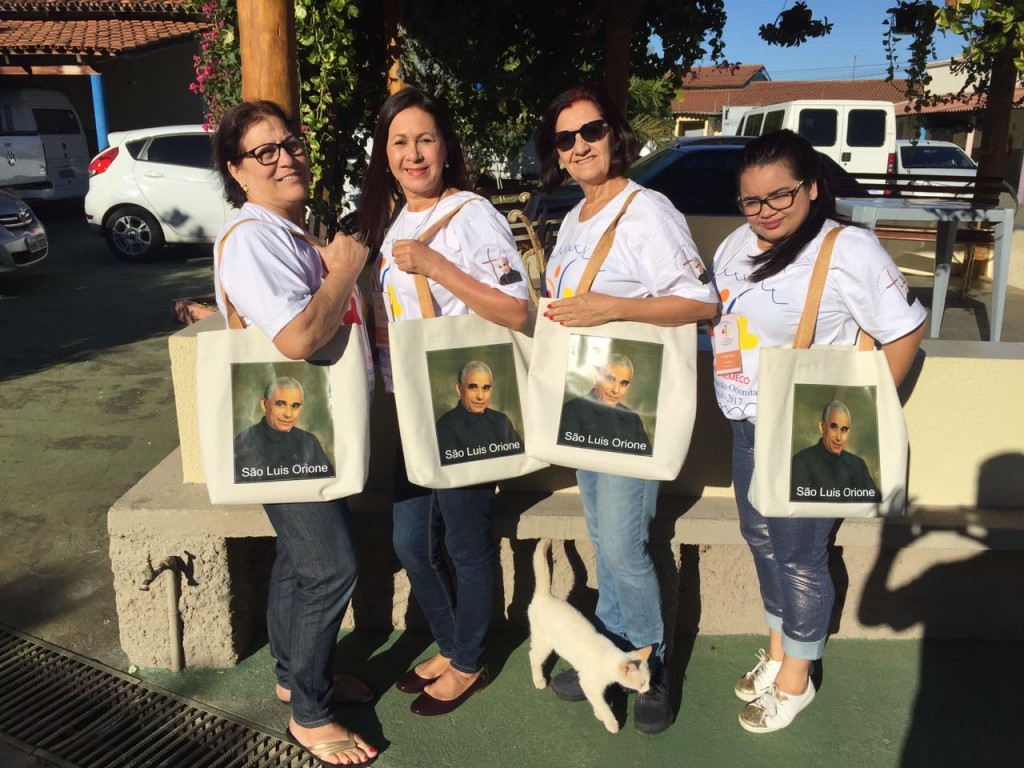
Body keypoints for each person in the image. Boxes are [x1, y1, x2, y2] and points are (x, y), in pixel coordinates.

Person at [709, 129, 926, 734]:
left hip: (802, 429)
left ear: (812, 188)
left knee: (802, 557)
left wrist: (861, 413)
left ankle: (797, 681)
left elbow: (905, 330)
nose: (765, 212)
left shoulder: (849, 249)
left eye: (780, 196)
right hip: (747, 421)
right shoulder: (737, 242)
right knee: (760, 538)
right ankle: (779, 650)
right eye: (751, 200)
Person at [536, 84, 718, 734]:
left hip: (630, 402)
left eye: (591, 131)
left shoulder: (648, 211)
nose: (579, 145)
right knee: (605, 536)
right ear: (555, 152)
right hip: (589, 397)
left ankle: (652, 666)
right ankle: (614, 651)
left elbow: (702, 303)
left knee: (622, 541)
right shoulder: (576, 216)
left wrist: (613, 308)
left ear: (616, 134)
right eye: (565, 138)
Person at [212, 100, 377, 766]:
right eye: (264, 151)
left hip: (311, 428)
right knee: (330, 567)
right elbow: (299, 337)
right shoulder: (251, 237)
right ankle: (310, 714)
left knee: (298, 561)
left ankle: (292, 675)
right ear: (237, 171)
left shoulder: (287, 230)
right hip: (287, 428)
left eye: (291, 142)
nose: (286, 157)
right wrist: (343, 271)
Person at [358, 86, 529, 716]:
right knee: (410, 540)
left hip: (461, 407)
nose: (413, 153)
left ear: (446, 146)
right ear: (385, 154)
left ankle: (467, 658)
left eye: (425, 138)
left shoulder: (472, 214)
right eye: (399, 142)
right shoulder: (394, 220)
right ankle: (454, 640)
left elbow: (515, 309)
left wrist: (435, 265)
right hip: (410, 406)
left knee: (464, 541)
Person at [234, 376, 334, 483]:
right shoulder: (244, 441)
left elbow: (327, 484)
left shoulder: (309, 441)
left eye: (295, 406)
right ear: (264, 405)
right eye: (281, 404)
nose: (288, 414)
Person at [557, 353, 652, 456]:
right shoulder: (571, 411)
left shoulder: (633, 419)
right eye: (610, 379)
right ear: (596, 378)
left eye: (623, 383)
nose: (616, 390)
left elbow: (646, 462)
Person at [435, 360, 523, 466]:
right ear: (459, 389)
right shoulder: (444, 426)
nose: (480, 396)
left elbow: (520, 462)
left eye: (486, 388)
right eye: (473, 387)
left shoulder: (501, 420)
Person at [790, 400, 880, 501]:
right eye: (833, 427)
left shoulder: (858, 464)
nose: (839, 437)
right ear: (822, 427)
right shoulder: (801, 463)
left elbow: (875, 506)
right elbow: (801, 511)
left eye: (844, 429)